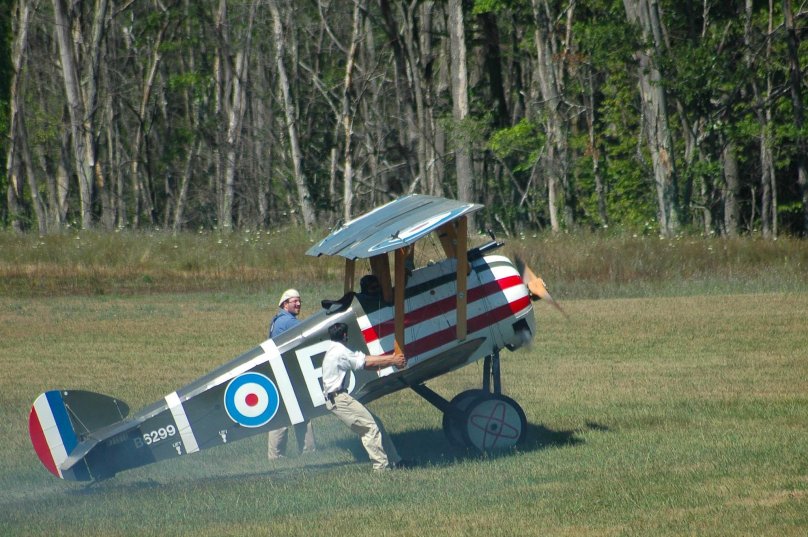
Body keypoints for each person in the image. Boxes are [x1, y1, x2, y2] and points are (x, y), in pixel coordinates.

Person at [322, 322, 407, 471]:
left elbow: (368, 365)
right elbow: (366, 361)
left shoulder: (333, 350)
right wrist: (393, 359)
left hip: (338, 397)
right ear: (345, 336)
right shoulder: (340, 351)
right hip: (339, 398)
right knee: (370, 428)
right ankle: (381, 468)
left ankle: (395, 461)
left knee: (376, 423)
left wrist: (390, 362)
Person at [267, 289, 316, 459]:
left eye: (300, 301)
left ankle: (276, 454)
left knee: (282, 415)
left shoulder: (277, 320)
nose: (299, 304)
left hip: (281, 372)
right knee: (301, 411)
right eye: (295, 301)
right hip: (289, 374)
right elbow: (310, 332)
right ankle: (307, 451)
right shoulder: (288, 321)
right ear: (285, 304)